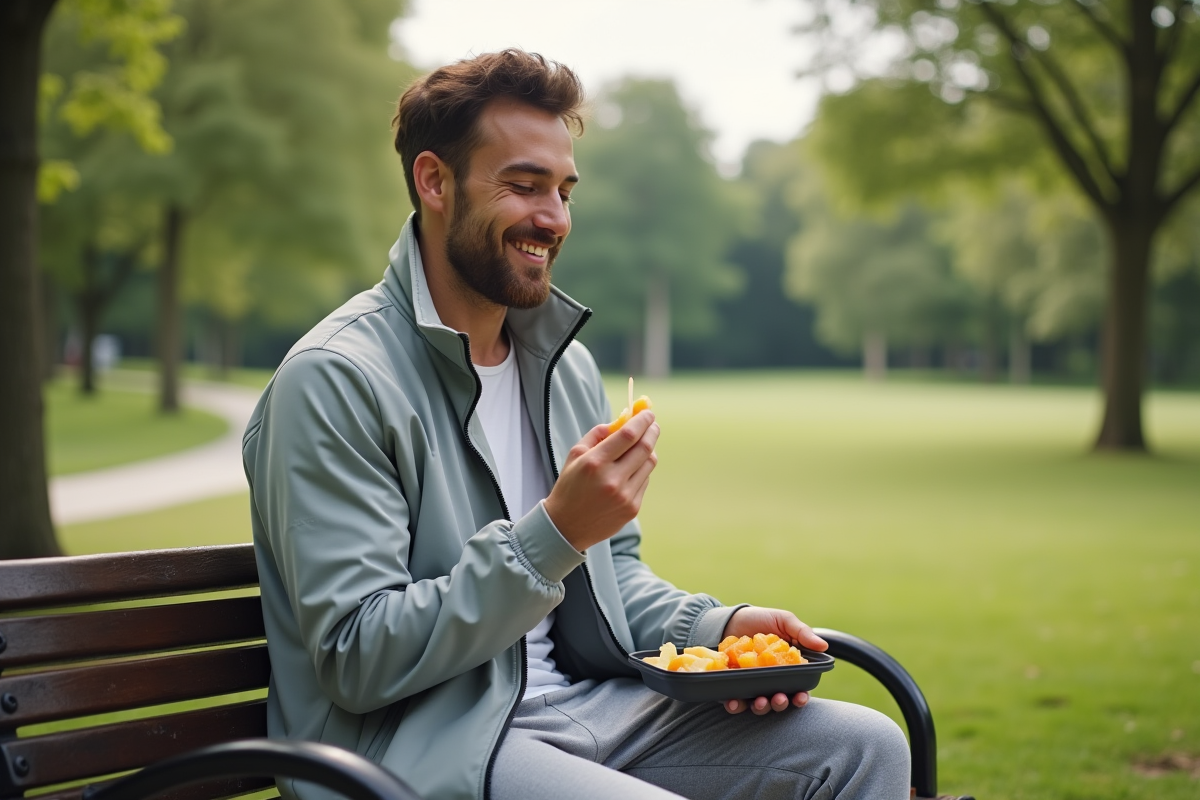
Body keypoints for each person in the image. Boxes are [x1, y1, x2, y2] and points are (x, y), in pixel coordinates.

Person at [243, 49, 912, 800]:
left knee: (865, 748)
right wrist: (553, 533)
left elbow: (611, 578)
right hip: (427, 748)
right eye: (524, 186)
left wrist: (720, 630)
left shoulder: (563, 367)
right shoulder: (336, 381)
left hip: (588, 710)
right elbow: (357, 656)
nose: (554, 219)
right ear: (434, 181)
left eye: (564, 191)